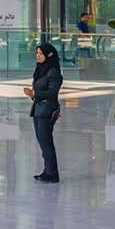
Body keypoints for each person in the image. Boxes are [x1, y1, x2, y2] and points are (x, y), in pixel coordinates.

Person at [25, 40, 64, 183]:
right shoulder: (41, 69)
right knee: (42, 141)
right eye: (37, 53)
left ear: (49, 55)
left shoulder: (53, 72)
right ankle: (48, 170)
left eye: (41, 53)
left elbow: (52, 93)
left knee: (46, 142)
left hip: (47, 111)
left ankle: (52, 173)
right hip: (38, 110)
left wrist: (34, 93)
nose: (38, 56)